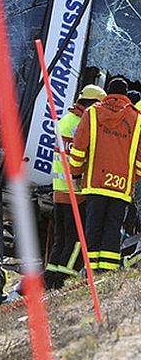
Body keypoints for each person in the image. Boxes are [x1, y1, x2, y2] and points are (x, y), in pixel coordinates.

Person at [70, 76, 141, 271]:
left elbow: (78, 149)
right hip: (121, 186)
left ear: (108, 93)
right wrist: (131, 177)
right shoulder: (137, 118)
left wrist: (75, 175)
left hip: (95, 182)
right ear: (126, 95)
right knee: (113, 227)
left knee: (94, 225)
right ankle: (107, 269)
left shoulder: (92, 113)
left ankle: (91, 269)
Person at [44, 84, 106, 289]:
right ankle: (65, 276)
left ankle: (51, 276)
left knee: (60, 238)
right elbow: (82, 157)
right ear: (92, 104)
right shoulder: (82, 124)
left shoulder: (64, 121)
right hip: (75, 192)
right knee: (76, 238)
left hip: (58, 190)